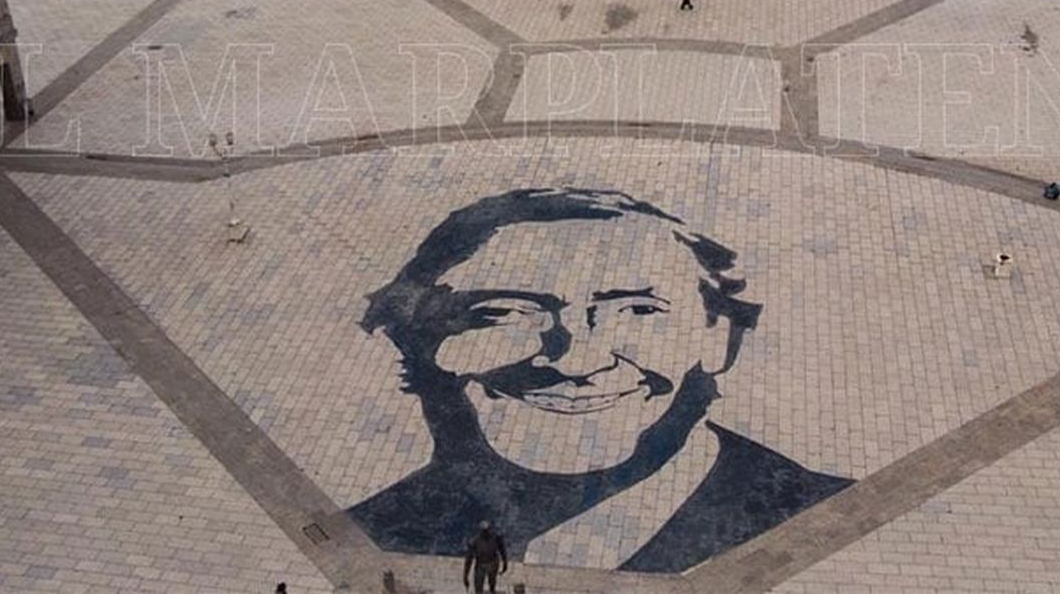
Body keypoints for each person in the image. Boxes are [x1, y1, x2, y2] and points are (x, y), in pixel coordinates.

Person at [350, 188, 851, 573]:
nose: (575, 361)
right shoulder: (371, 531)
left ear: (717, 340)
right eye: (504, 311)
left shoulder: (821, 519)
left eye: (637, 310)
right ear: (414, 337)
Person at [462, 521, 508, 593]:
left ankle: (492, 591)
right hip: (481, 564)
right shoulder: (475, 541)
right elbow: (468, 560)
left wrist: (505, 563)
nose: (486, 533)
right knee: (478, 585)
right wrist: (465, 576)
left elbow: (502, 550)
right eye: (484, 531)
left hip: (493, 562)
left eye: (487, 531)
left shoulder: (496, 538)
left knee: (492, 583)